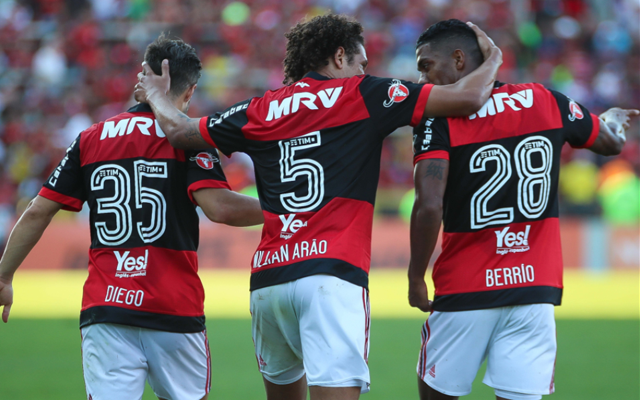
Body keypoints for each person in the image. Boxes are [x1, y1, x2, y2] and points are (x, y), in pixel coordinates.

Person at [134, 14, 502, 400]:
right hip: (331, 277)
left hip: (268, 283)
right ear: (340, 57)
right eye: (361, 64)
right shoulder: (364, 94)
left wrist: (156, 95)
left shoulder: (260, 108)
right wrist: (492, 57)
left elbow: (178, 131)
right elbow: (469, 97)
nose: (364, 72)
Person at [0, 35, 264, 400]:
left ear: (143, 78)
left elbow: (37, 212)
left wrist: (4, 275)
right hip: (173, 307)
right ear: (189, 93)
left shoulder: (90, 138)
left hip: (107, 309)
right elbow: (219, 207)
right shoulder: (188, 138)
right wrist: (287, 206)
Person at [408, 19, 639, 400]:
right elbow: (610, 142)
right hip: (534, 289)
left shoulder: (439, 117)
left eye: (426, 65)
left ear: (460, 60)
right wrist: (613, 117)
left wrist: (416, 277)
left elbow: (429, 203)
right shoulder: (547, 99)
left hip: (465, 286)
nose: (420, 79)